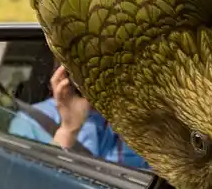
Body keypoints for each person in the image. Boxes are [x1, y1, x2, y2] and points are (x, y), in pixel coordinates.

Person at [8, 65, 149, 170]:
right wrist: (68, 130)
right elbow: (30, 188)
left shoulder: (140, 120)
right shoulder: (30, 122)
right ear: (63, 71)